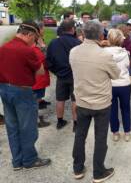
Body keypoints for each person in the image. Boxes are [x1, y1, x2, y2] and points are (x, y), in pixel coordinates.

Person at [70, 20, 120, 182]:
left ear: (83, 34)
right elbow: (116, 75)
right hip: (101, 103)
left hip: (82, 101)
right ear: (100, 35)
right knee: (100, 137)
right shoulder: (105, 55)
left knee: (80, 134)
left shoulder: (73, 52)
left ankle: (78, 168)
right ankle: (98, 172)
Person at [0, 21, 51, 170]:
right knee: (28, 127)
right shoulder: (27, 50)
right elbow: (41, 71)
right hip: (22, 91)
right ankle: (29, 160)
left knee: (12, 126)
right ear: (29, 34)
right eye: (34, 38)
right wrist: (39, 48)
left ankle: (17, 161)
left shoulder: (3, 48)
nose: (34, 41)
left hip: (4, 89)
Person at [46, 20, 81, 131]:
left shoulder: (53, 43)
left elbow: (49, 62)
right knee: (75, 100)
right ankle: (76, 124)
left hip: (60, 76)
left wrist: (56, 72)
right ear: (72, 29)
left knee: (60, 99)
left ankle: (60, 122)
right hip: (75, 76)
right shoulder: (78, 43)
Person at [104, 29, 131, 142]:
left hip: (110, 84)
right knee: (126, 108)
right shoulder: (125, 53)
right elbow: (128, 66)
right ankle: (127, 132)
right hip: (124, 83)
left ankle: (115, 132)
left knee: (112, 109)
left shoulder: (105, 53)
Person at [32, 23, 51, 128]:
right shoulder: (36, 43)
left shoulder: (38, 40)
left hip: (39, 75)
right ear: (38, 30)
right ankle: (35, 121)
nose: (44, 30)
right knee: (34, 100)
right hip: (38, 76)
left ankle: (37, 118)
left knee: (36, 99)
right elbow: (43, 56)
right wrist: (44, 48)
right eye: (43, 29)